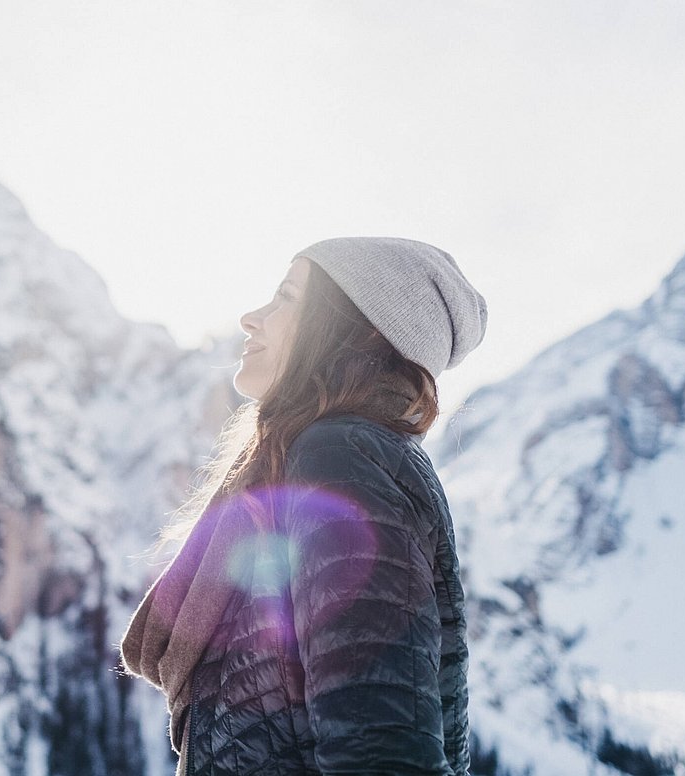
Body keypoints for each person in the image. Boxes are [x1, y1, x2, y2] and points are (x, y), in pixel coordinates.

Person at [120, 237, 487, 775]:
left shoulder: (341, 457)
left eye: (285, 298)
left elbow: (380, 749)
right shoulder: (325, 458)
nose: (251, 318)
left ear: (352, 332)